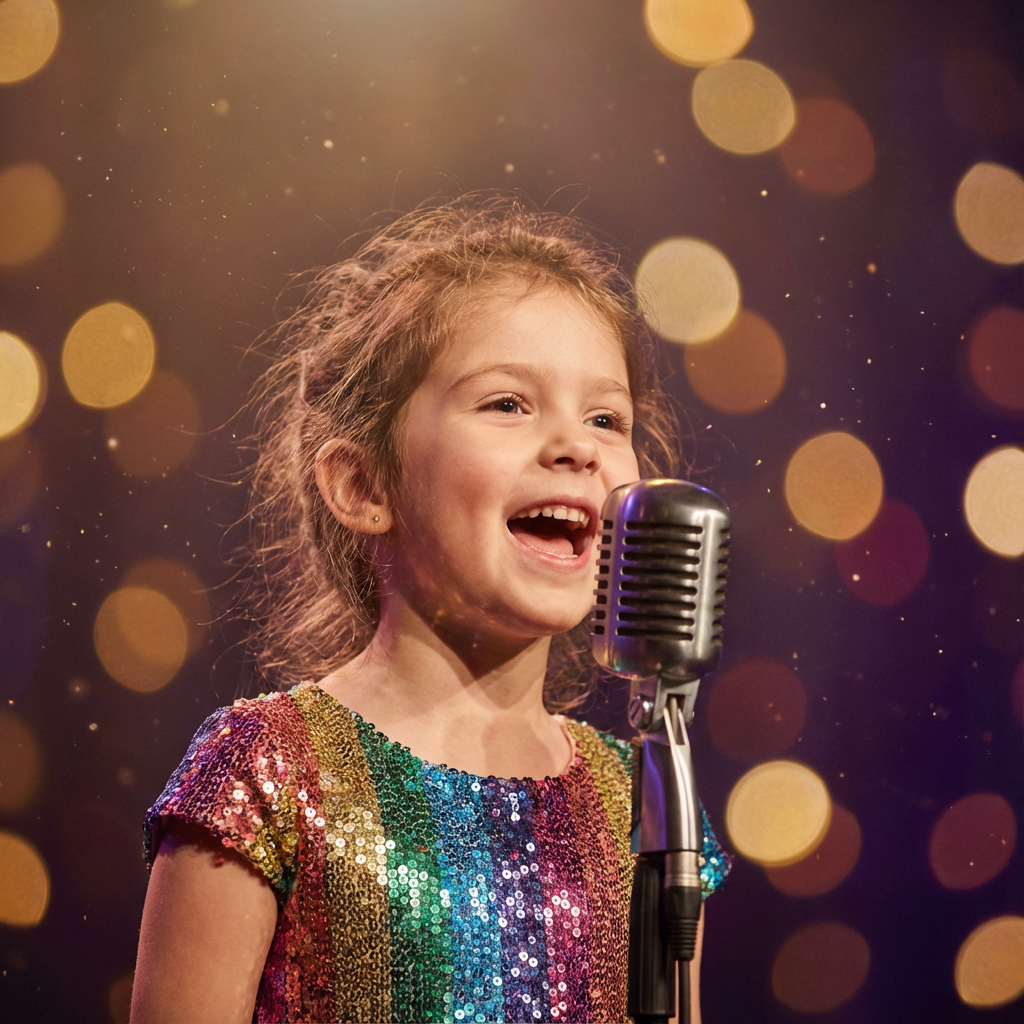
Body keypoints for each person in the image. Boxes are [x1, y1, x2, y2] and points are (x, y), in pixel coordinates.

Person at [130, 197, 730, 1024]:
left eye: (606, 418)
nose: (577, 445)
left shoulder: (641, 799)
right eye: (507, 404)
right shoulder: (268, 769)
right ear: (365, 485)